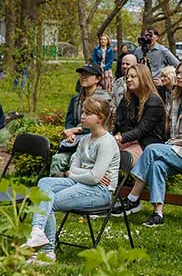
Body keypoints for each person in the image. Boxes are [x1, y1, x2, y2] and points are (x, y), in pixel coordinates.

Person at [113, 60, 182, 227]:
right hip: (178, 152)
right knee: (157, 166)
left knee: (153, 150)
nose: (179, 76)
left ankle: (132, 198)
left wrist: (166, 146)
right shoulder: (175, 98)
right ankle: (158, 214)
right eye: (178, 72)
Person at [25, 98, 120, 265]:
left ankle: (47, 252)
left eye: (88, 113)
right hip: (80, 183)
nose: (82, 116)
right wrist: (84, 173)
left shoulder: (106, 142)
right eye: (83, 112)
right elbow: (74, 166)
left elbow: (95, 179)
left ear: (100, 118)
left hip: (100, 191)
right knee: (45, 183)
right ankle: (37, 231)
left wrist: (75, 174)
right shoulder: (84, 140)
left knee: (48, 201)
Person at [50, 63, 112, 176]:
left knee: (74, 159)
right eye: (82, 74)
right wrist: (70, 134)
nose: (83, 77)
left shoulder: (103, 100)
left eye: (88, 74)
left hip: (93, 142)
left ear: (98, 78)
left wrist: (75, 130)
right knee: (58, 159)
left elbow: (100, 126)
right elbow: (69, 121)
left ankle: (73, 189)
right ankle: (52, 188)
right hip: (75, 141)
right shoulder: (75, 100)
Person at [113, 64, 167, 167]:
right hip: (131, 139)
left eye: (133, 76)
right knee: (105, 148)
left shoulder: (154, 101)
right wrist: (109, 137)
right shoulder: (128, 98)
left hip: (147, 143)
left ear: (143, 78)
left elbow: (142, 130)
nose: (128, 79)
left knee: (123, 157)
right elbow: (118, 121)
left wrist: (119, 138)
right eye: (127, 77)